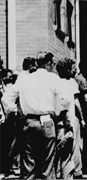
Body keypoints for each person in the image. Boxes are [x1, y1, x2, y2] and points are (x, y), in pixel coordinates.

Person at [1, 51, 64, 179]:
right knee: (47, 163)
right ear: (48, 64)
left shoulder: (25, 79)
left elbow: (6, 98)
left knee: (28, 164)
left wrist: (17, 110)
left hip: (28, 122)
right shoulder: (53, 78)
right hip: (47, 121)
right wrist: (56, 113)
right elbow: (66, 99)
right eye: (53, 64)